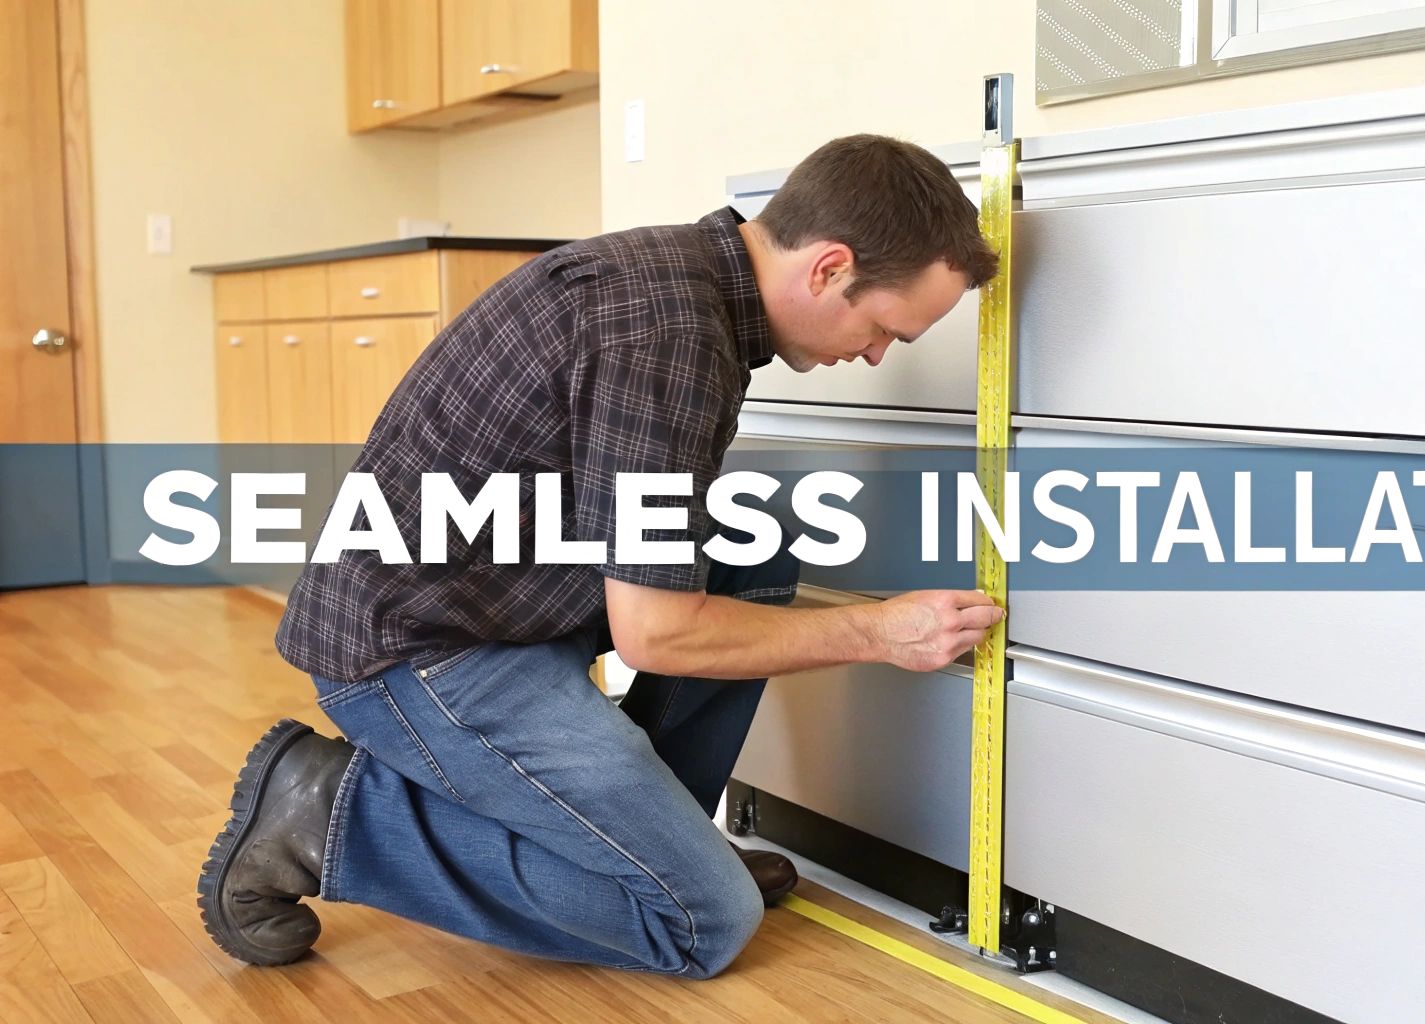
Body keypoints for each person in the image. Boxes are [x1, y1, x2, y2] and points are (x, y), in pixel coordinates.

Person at [195, 135, 1004, 978]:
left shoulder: (685, 283)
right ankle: (325, 813)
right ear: (829, 268)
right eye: (883, 329)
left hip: (496, 599)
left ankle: (658, 850)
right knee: (706, 924)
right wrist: (877, 632)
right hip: (419, 655)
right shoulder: (666, 336)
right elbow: (658, 635)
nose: (875, 354)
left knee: (754, 549)